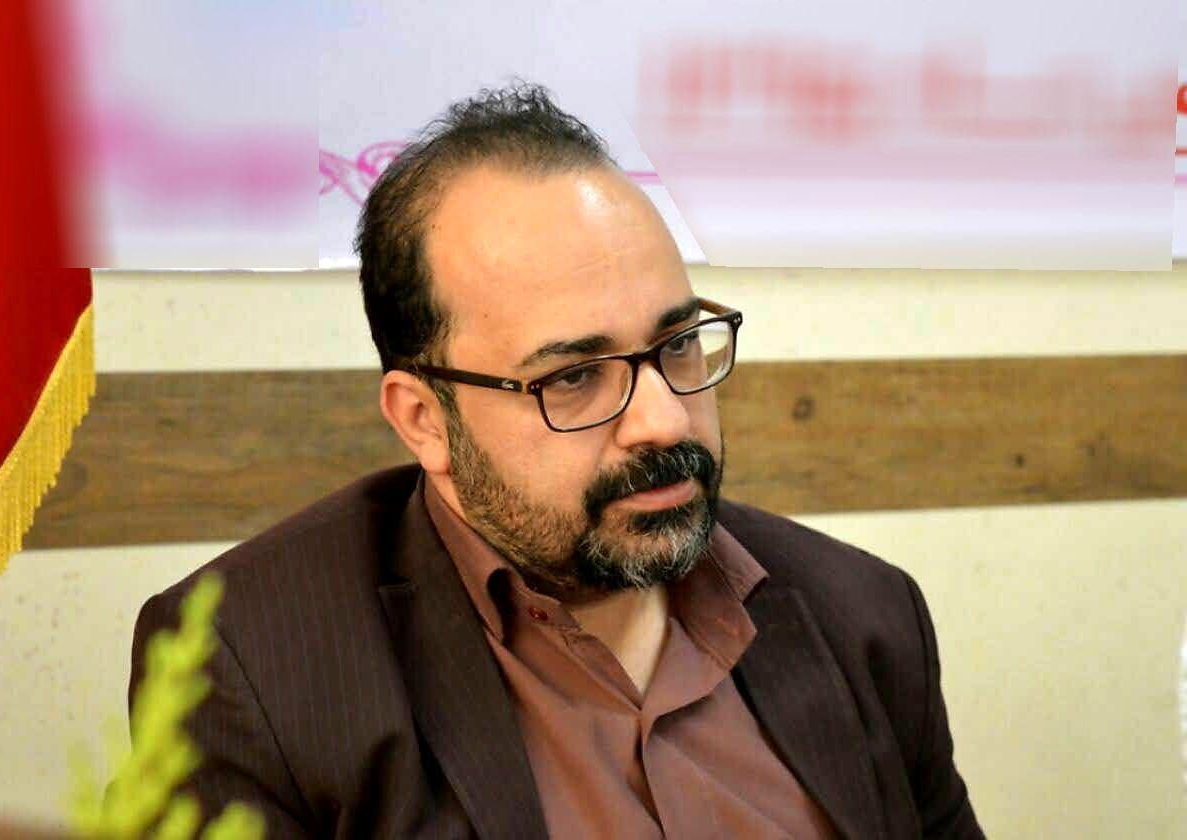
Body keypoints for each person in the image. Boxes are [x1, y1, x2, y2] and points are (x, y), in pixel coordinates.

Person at [128, 83, 983, 839]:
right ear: (424, 420)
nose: (662, 419)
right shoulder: (251, 671)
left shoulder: (864, 616)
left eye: (677, 344)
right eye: (573, 377)